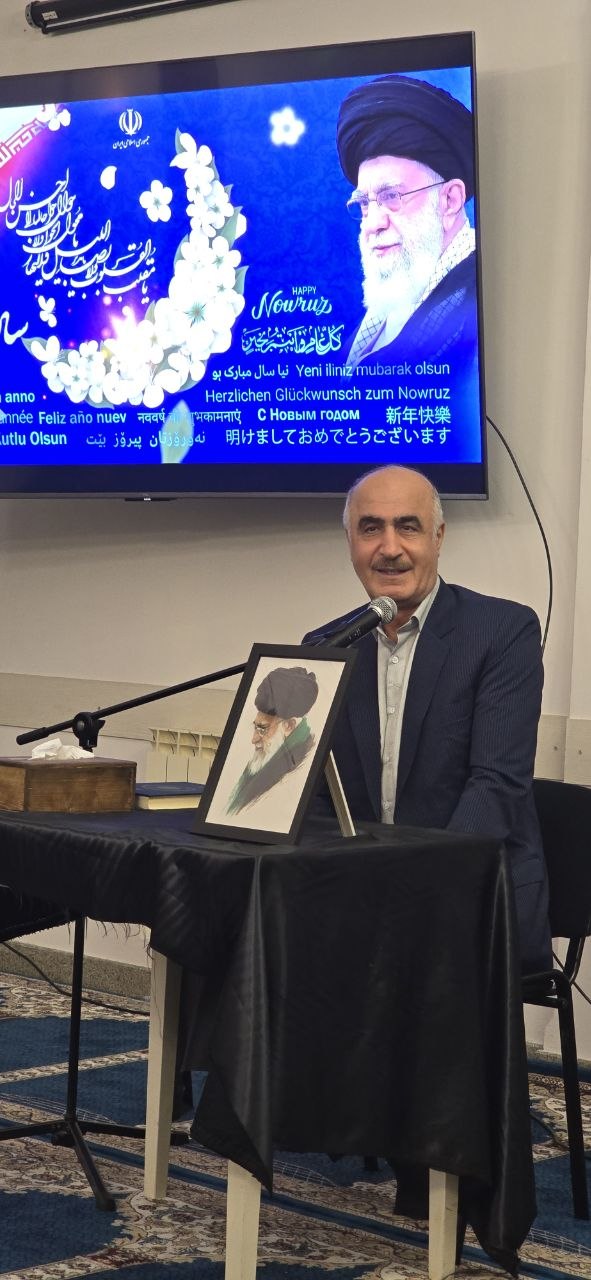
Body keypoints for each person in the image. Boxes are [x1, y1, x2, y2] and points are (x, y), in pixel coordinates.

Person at [305, 464, 551, 975]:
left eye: (408, 527)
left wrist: (414, 891)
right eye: (370, 528)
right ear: (350, 542)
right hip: (361, 897)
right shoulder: (327, 646)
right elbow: (320, 796)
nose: (389, 548)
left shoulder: (502, 631)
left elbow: (496, 786)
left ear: (438, 537)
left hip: (470, 895)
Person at [336, 73, 477, 370]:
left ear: (450, 200)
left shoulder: (476, 304)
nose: (372, 224)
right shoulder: (380, 318)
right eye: (364, 204)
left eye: (391, 196)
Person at [226, 665, 319, 815]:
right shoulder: (265, 764)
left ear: (289, 726)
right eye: (256, 728)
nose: (254, 739)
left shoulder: (295, 774)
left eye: (262, 729)